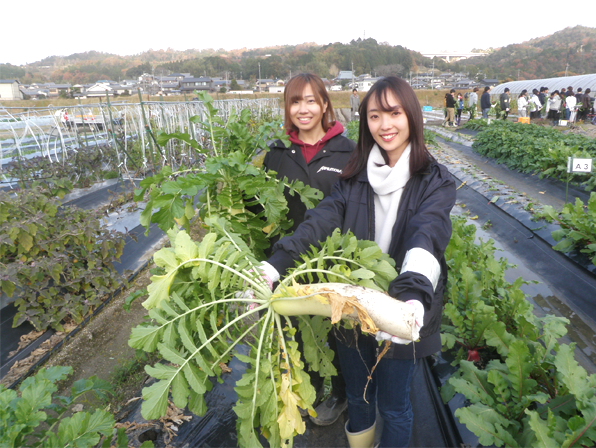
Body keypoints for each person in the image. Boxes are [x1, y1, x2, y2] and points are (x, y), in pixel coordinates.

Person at [263, 76, 456, 448]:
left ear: (411, 117)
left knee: (396, 405)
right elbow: (320, 221)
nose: (385, 125)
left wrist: (412, 296)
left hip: (402, 309)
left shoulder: (434, 180)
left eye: (394, 113)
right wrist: (276, 263)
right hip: (351, 306)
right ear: (364, 122)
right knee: (358, 397)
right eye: (374, 116)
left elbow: (427, 233)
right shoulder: (355, 177)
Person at [263, 73, 355, 426]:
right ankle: (314, 387)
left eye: (311, 101)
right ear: (287, 107)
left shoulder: (348, 152)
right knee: (301, 333)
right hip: (288, 261)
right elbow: (263, 212)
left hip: (334, 261)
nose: (304, 109)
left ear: (325, 105)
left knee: (339, 333)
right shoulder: (276, 155)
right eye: (295, 101)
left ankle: (343, 393)